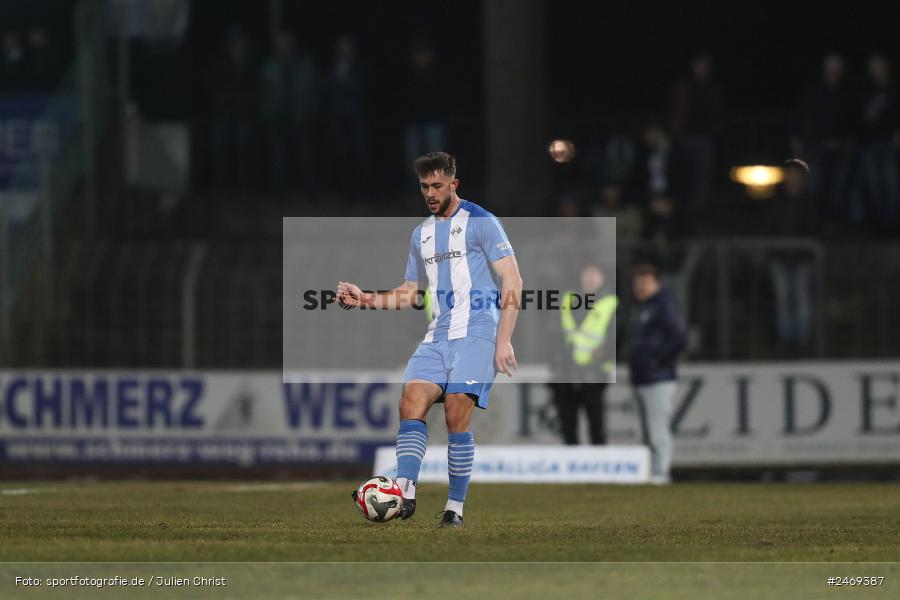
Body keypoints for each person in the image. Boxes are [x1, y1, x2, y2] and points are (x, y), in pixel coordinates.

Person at [339, 152, 522, 528]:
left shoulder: (481, 221)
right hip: (438, 335)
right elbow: (409, 292)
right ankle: (405, 491)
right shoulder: (420, 234)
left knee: (456, 412)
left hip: (478, 332)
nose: (430, 193)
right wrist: (365, 298)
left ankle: (454, 509)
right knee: (411, 401)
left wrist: (504, 340)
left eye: (437, 185)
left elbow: (512, 280)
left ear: (454, 184)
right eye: (424, 186)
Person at [626, 261, 686, 484]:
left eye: (646, 283)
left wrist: (657, 361)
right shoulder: (640, 307)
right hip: (641, 377)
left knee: (658, 429)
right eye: (637, 283)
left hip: (658, 378)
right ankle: (650, 472)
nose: (641, 287)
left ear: (656, 284)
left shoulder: (663, 305)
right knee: (646, 431)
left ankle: (661, 473)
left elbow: (679, 337)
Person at [548, 264, 617, 445]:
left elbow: (619, 335)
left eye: (595, 275)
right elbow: (555, 335)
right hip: (567, 370)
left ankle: (599, 461)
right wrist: (556, 365)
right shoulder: (567, 299)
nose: (590, 279)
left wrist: (605, 353)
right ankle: (572, 462)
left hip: (594, 372)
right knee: (568, 425)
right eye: (587, 274)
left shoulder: (610, 303)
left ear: (603, 278)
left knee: (596, 425)